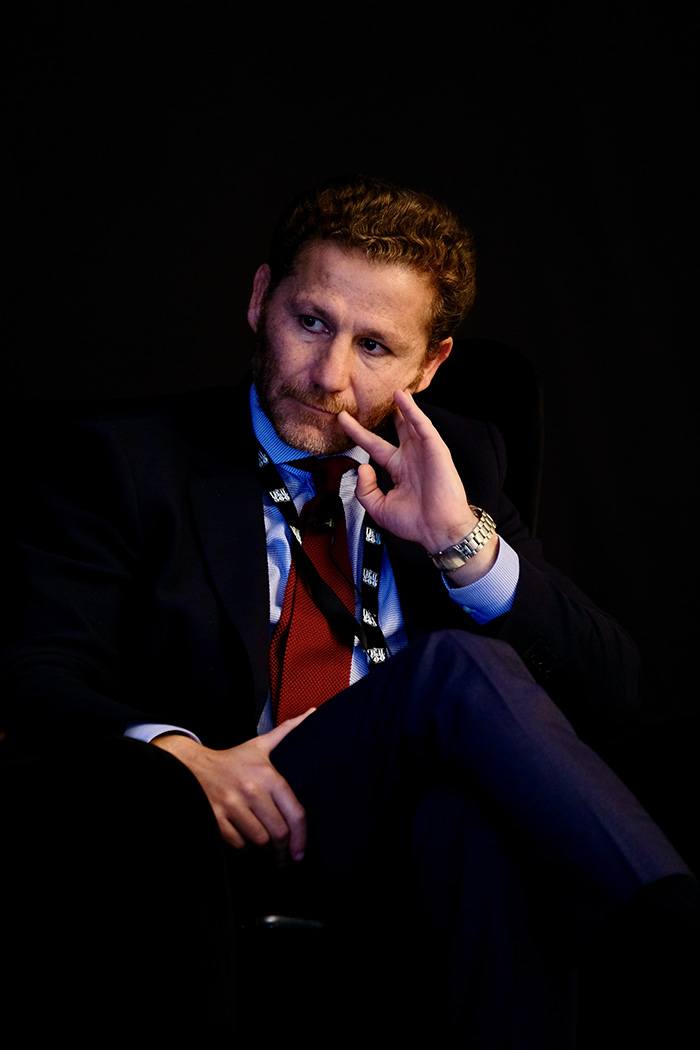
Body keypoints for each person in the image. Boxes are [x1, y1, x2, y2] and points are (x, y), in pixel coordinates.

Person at [1, 173, 697, 1047]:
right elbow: (32, 673)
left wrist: (461, 543)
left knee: (474, 829)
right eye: (311, 322)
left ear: (430, 365)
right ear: (261, 299)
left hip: (406, 836)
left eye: (374, 346)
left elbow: (615, 694)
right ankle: (678, 944)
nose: (329, 376)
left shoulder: (462, 461)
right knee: (458, 667)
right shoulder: (128, 464)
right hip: (215, 833)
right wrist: (180, 756)